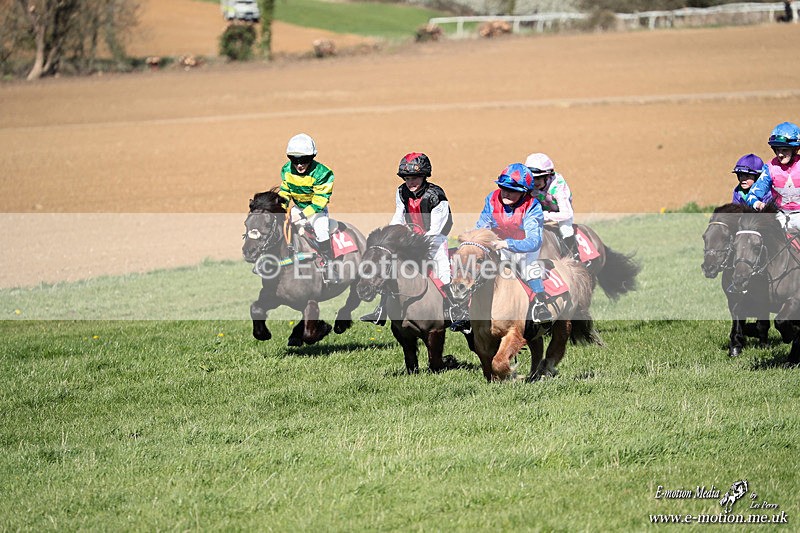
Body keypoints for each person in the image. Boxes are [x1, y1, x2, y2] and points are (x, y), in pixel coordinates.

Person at [360, 152, 456, 325]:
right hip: (412, 237)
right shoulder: (401, 191)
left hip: (435, 239)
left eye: (415, 178)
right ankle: (381, 309)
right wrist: (391, 237)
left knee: (442, 269)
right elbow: (398, 217)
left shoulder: (436, 196)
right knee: (389, 268)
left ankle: (453, 308)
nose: (410, 183)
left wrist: (414, 244)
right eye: (407, 178)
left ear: (424, 176)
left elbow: (435, 229)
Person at [474, 163, 552, 323]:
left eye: (513, 191)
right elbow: (482, 226)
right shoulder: (492, 199)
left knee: (528, 267)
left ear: (525, 192)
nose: (506, 193)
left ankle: (540, 304)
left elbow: (533, 242)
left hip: (524, 249)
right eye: (503, 188)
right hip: (498, 245)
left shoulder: (532, 206)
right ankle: (465, 309)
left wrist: (507, 244)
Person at [278, 133, 337, 280]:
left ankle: (329, 265)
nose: (299, 164)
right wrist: (281, 208)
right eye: (294, 160)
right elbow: (285, 192)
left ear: (312, 157)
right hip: (297, 207)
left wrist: (303, 215)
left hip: (317, 211)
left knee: (321, 230)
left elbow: (320, 201)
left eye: (304, 160)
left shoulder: (323, 173)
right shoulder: (286, 170)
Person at [746, 122, 800, 230]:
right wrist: (759, 205)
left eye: (784, 150)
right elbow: (751, 196)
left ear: (794, 149)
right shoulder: (770, 168)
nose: (780, 154)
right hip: (779, 216)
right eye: (777, 150)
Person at [525, 152, 579, 260]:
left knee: (565, 228)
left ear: (547, 176)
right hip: (541, 208)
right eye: (532, 178)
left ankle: (574, 257)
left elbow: (567, 214)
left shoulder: (558, 186)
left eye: (538, 178)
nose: (534, 183)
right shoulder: (527, 183)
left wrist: (545, 216)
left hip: (559, 211)